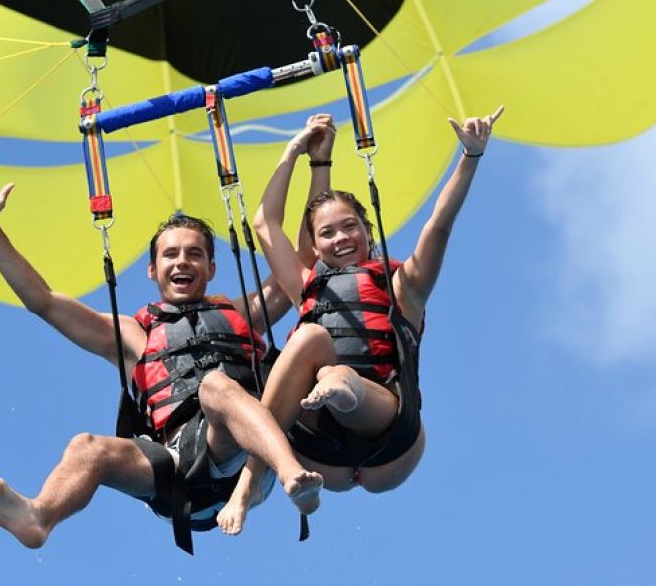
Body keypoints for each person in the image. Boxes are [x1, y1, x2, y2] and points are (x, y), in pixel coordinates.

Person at [0, 180, 322, 551]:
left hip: (247, 461)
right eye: (170, 254)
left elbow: (302, 260)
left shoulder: (243, 313)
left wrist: (318, 162)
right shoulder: (132, 334)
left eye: (194, 254)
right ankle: (37, 516)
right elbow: (42, 300)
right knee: (86, 447)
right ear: (151, 270)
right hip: (177, 471)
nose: (182, 261)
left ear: (210, 268)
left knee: (217, 387)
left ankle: (291, 474)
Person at [216, 107, 504, 535]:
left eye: (349, 226)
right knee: (310, 336)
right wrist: (294, 152)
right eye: (327, 234)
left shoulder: (403, 285)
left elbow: (438, 226)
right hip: (319, 456)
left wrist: (471, 158)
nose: (341, 238)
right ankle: (259, 482)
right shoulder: (306, 284)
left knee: (333, 370)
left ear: (368, 231)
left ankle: (339, 388)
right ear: (314, 245)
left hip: (390, 437)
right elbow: (264, 223)